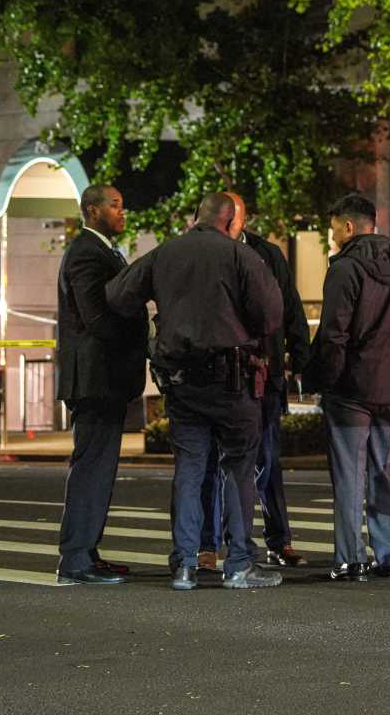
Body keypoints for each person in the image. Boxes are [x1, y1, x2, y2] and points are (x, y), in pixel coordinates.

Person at [105, 191, 283, 591]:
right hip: (232, 381)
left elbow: (117, 295)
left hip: (182, 382)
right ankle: (238, 563)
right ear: (230, 220)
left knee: (189, 468)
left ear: (196, 216)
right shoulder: (240, 257)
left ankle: (184, 564)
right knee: (238, 468)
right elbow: (271, 314)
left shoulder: (166, 253)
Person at [305, 193, 390, 582]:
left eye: (334, 227)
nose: (332, 235)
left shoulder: (344, 269)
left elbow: (334, 334)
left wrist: (320, 379)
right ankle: (389, 556)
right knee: (384, 473)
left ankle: (349, 558)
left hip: (352, 389)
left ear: (349, 226)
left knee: (348, 474)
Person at [198, 193, 312, 570]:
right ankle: (209, 545)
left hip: (266, 374)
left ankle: (279, 540)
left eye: (236, 216)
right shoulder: (204, 252)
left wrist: (299, 358)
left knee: (267, 460)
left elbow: (291, 309)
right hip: (222, 375)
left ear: (242, 220)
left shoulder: (269, 255)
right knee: (216, 463)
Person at [55, 184, 148, 585]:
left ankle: (87, 550)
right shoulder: (85, 253)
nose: (122, 212)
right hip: (94, 378)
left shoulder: (104, 251)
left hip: (106, 378)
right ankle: (75, 558)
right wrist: (138, 338)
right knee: (92, 467)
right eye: (115, 205)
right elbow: (96, 317)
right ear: (92, 211)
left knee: (100, 467)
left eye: (122, 204)